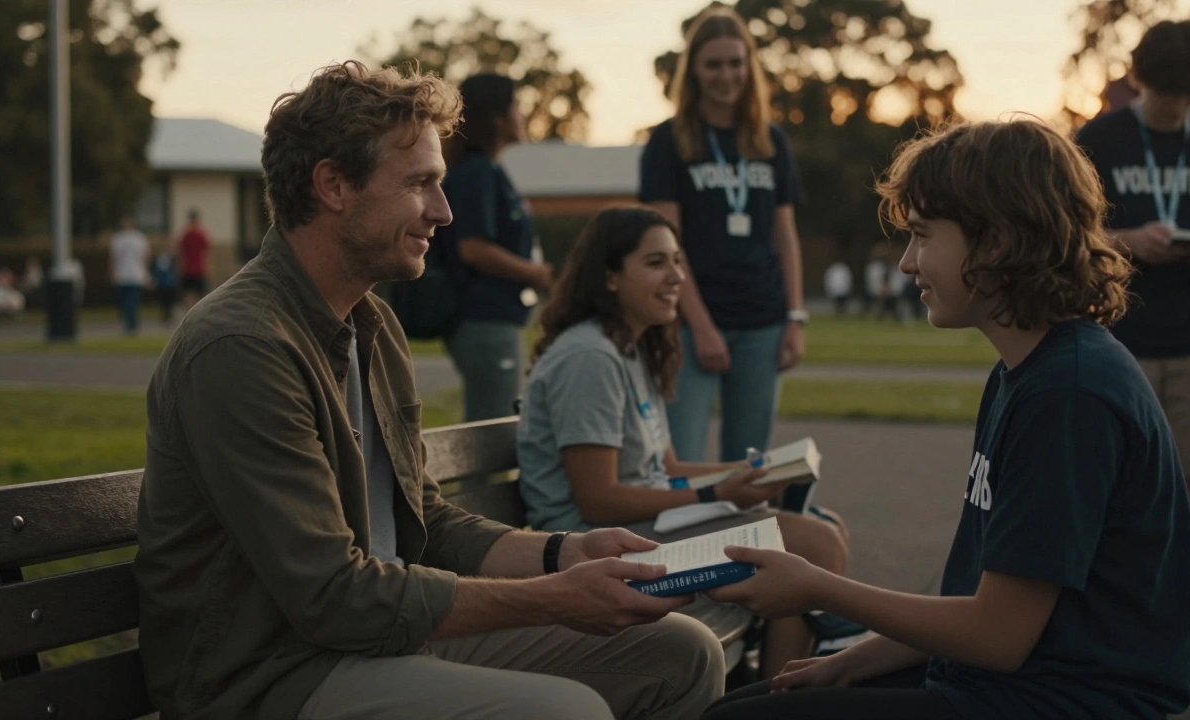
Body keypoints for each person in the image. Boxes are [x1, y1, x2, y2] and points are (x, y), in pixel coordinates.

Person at [133, 61, 723, 720]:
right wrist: (556, 596)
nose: (443, 212)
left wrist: (565, 552)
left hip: (385, 640)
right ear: (333, 185)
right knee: (565, 713)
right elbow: (333, 597)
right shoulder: (241, 346)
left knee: (682, 653)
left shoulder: (371, 323)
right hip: (276, 675)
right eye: (421, 184)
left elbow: (426, 521)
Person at [700, 120, 1190, 720]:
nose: (908, 263)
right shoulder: (1025, 370)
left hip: (1067, 702)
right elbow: (976, 602)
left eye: (922, 236)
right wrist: (852, 662)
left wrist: (816, 587)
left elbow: (998, 635)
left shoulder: (1069, 394)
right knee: (754, 700)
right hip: (1010, 682)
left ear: (996, 242)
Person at [517, 205, 850, 679]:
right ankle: (782, 696)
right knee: (813, 543)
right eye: (656, 263)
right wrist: (718, 493)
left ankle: (775, 682)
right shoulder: (589, 357)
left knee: (825, 527)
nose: (676, 276)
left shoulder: (627, 347)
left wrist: (745, 472)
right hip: (595, 546)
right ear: (610, 277)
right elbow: (597, 499)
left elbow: (667, 465)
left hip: (643, 525)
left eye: (677, 261)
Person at [1075, 18, 1190, 679]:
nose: (1175, 106)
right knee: (1111, 484)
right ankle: (1107, 623)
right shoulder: (1100, 139)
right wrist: (1127, 240)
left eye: (1188, 94)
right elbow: (1069, 231)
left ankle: (1185, 625)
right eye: (1166, 93)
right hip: (1119, 334)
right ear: (1138, 79)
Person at [640, 6, 808, 464]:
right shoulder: (669, 141)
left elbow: (785, 235)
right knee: (682, 463)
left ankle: (741, 539)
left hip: (762, 322)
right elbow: (666, 244)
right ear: (693, 69)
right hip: (692, 327)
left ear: (749, 66)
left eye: (736, 63)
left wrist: (794, 317)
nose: (726, 75)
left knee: (749, 465)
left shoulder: (770, 139)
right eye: (713, 64)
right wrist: (702, 325)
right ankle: (680, 542)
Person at [441, 72, 551, 421]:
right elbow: (472, 248)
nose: (522, 115)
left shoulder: (488, 170)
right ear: (496, 117)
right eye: (516, 106)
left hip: (495, 320)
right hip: (484, 320)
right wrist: (534, 274)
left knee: (500, 421)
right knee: (494, 428)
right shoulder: (476, 173)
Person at [109, 215, 150, 334]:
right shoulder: (118, 238)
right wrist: (112, 272)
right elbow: (114, 257)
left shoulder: (139, 238)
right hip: (122, 275)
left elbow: (145, 256)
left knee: (132, 301)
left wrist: (145, 272)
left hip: (135, 275)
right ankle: (128, 321)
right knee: (124, 301)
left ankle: (131, 325)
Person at [176, 208, 211, 311]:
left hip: (187, 268)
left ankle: (188, 312)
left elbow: (179, 251)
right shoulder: (201, 234)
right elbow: (207, 251)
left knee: (188, 293)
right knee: (201, 294)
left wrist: (179, 266)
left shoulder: (185, 234)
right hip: (199, 268)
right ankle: (198, 312)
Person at [150, 250, 178, 324]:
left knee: (169, 301)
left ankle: (168, 316)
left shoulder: (171, 260)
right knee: (163, 301)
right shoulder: (157, 261)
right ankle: (164, 316)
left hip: (169, 284)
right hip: (161, 284)